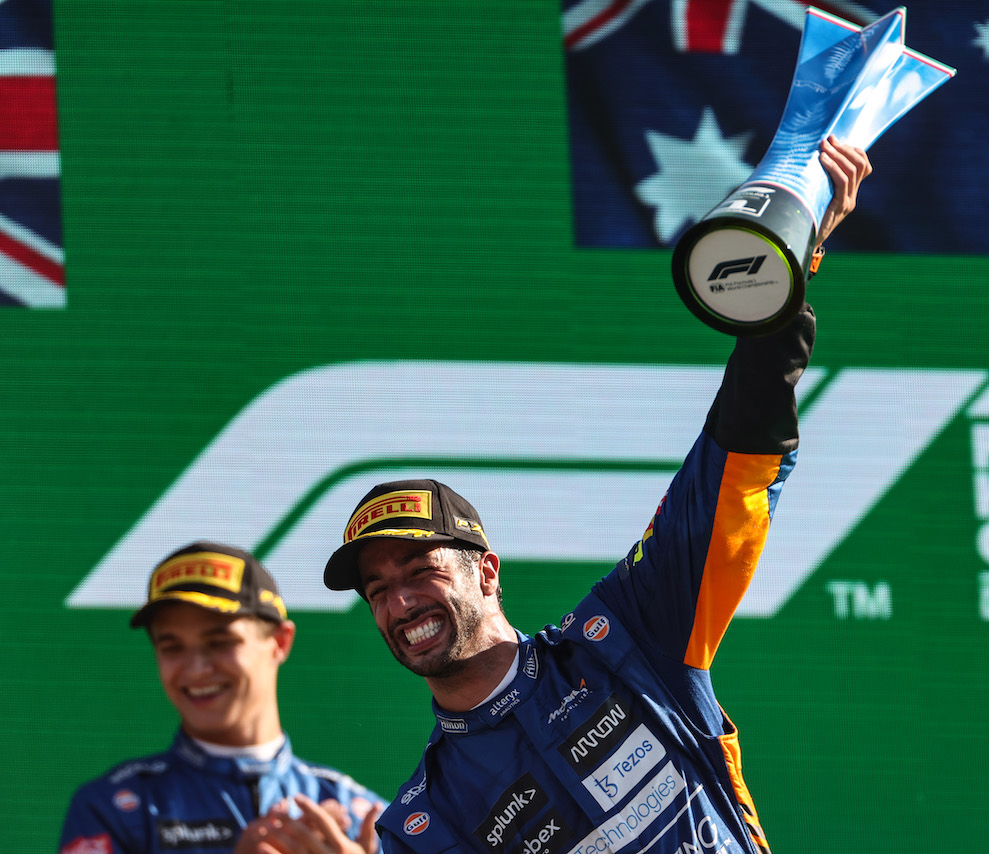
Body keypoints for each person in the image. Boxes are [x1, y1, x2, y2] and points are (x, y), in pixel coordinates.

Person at [321, 137, 871, 854]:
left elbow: (732, 466)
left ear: (486, 570)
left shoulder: (627, 636)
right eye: (378, 590)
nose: (399, 604)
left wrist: (787, 272)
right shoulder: (426, 822)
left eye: (420, 572)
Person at [59, 541, 387, 854]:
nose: (197, 669)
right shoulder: (114, 807)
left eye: (219, 642)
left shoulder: (355, 811)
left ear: (279, 642)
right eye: (171, 646)